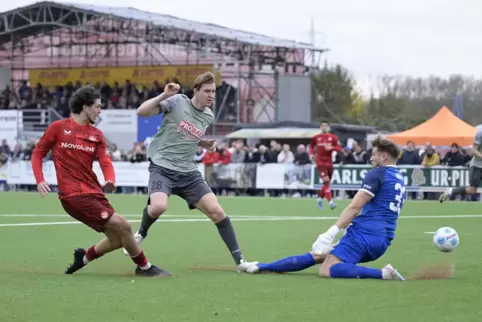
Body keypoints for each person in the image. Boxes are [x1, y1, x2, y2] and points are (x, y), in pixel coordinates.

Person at [31, 86, 169, 277]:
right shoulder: (58, 128)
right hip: (73, 195)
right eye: (97, 106)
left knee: (118, 238)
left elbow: (105, 161)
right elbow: (38, 153)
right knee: (125, 226)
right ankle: (145, 267)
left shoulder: (96, 135)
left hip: (94, 192)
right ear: (85, 107)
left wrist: (110, 179)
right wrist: (40, 180)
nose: (100, 110)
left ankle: (84, 258)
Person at [125, 72, 256, 271]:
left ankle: (240, 262)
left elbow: (188, 134)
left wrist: (204, 142)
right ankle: (141, 233)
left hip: (188, 172)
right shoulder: (177, 102)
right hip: (163, 167)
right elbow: (141, 112)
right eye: (207, 91)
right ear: (196, 91)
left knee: (217, 211)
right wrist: (163, 95)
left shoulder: (208, 115)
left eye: (213, 91)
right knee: (158, 208)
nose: (211, 95)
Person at [239, 135, 406, 281]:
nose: (371, 157)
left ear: (384, 156)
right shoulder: (399, 177)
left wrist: (331, 232)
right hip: (383, 240)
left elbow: (354, 207)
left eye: (374, 154)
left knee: (327, 269)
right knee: (318, 255)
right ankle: (261, 266)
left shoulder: (377, 173)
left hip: (365, 235)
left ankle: (383, 274)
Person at [439, 125, 482, 202]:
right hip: (477, 165)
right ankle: (450, 191)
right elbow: (474, 150)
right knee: (472, 190)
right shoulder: (480, 132)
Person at [309, 121, 341, 210]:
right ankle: (331, 202)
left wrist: (332, 148)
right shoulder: (316, 137)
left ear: (329, 127)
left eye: (326, 125)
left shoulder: (333, 137)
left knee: (327, 183)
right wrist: (311, 155)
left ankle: (319, 199)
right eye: (322, 125)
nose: (324, 127)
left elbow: (339, 148)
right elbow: (311, 147)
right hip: (320, 162)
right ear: (320, 127)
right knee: (326, 181)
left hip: (329, 162)